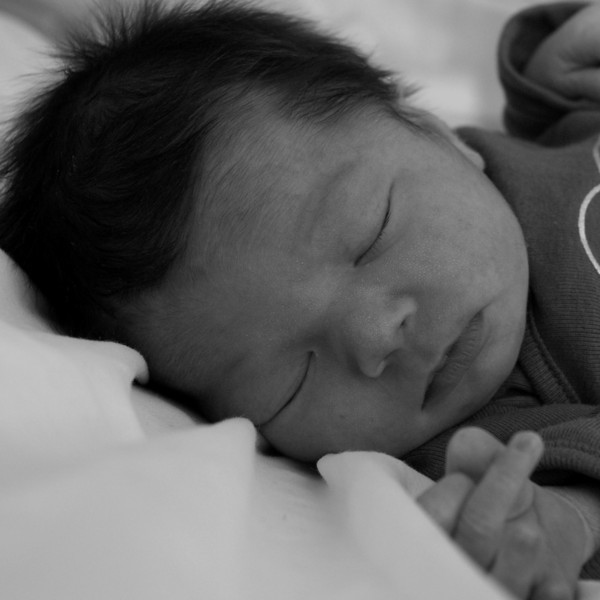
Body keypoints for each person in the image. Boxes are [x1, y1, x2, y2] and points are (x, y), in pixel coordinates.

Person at [0, 0, 599, 596]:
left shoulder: (557, 127)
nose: (373, 338)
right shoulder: (496, 454)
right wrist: (559, 526)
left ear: (440, 135)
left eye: (370, 233)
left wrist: (552, 76)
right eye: (295, 382)